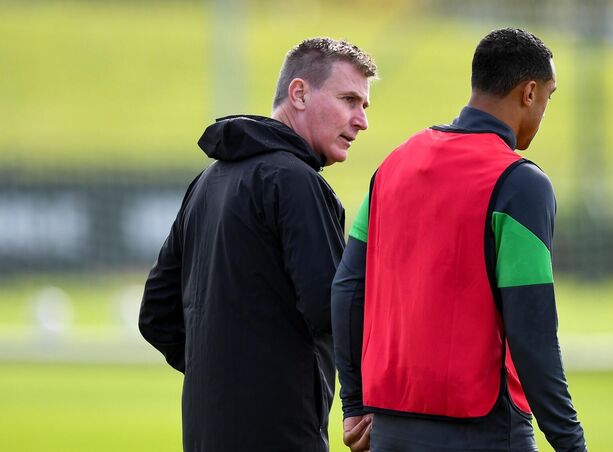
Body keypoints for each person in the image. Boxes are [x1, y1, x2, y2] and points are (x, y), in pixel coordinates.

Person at [332, 28, 587, 452]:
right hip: (484, 429)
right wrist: (570, 442)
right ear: (528, 93)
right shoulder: (520, 184)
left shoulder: (393, 166)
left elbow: (347, 289)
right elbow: (533, 332)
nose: (545, 108)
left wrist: (355, 402)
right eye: (548, 96)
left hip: (389, 430)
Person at [139, 37, 376, 452]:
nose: (361, 120)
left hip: (205, 432)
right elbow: (331, 308)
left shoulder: (207, 182)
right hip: (280, 433)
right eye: (348, 99)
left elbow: (156, 314)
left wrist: (222, 377)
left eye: (364, 106)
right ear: (298, 93)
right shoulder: (297, 183)